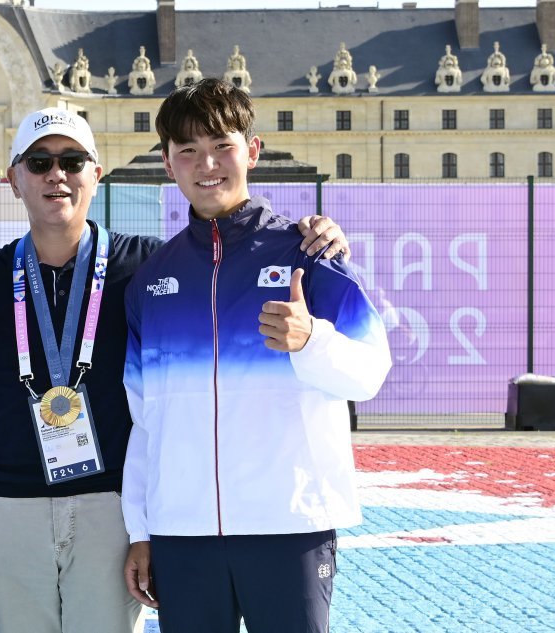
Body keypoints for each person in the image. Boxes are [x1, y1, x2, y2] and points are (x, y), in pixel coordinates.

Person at [0, 107, 351, 633]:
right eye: (38, 162)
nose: (56, 173)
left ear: (95, 174)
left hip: (109, 505)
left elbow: (223, 259)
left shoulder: (145, 267)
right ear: (14, 179)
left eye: (72, 160)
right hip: (10, 504)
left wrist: (315, 236)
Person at [121, 78, 391, 633]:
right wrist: (141, 529)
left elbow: (369, 371)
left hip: (289, 524)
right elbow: (144, 420)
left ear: (253, 149)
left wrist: (311, 339)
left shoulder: (310, 252)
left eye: (222, 145)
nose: (207, 164)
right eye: (188, 151)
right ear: (168, 165)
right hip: (183, 531)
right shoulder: (151, 280)